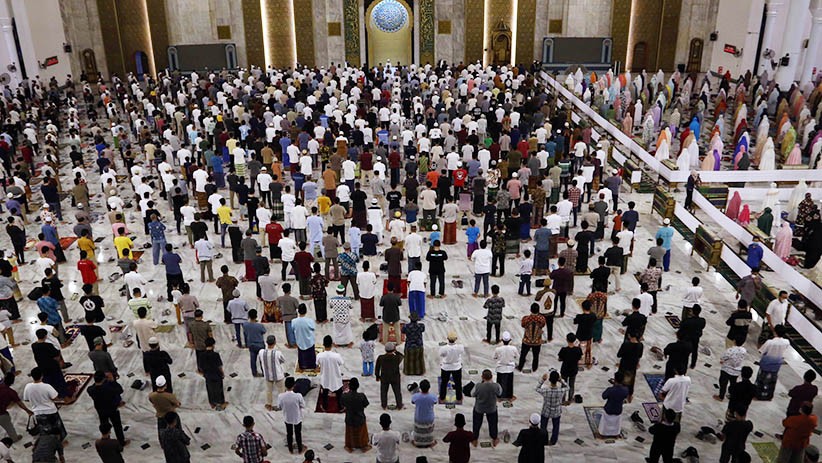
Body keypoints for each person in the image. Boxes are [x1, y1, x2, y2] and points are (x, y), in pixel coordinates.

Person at [86, 371, 127, 448]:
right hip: (112, 409)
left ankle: (105, 438)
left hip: (100, 410)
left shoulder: (90, 389)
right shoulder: (109, 388)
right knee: (117, 425)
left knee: (104, 425)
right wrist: (112, 380)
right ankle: (121, 442)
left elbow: (94, 386)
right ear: (103, 379)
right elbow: (120, 390)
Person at [471, 369, 502, 446]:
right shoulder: (496, 386)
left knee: (476, 424)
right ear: (491, 377)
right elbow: (500, 393)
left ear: (482, 377)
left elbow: (472, 394)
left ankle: (475, 439)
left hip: (479, 408)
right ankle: (494, 438)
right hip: (491, 408)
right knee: (493, 424)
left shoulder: (478, 386)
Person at [340, 377, 371, 452]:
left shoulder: (344, 396)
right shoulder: (361, 396)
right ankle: (363, 446)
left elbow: (342, 404)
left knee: (349, 433)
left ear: (349, 386)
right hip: (360, 417)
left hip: (349, 417)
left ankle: (349, 446)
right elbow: (366, 404)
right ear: (358, 386)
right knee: (362, 433)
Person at [536, 370, 567, 445]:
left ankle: (543, 440)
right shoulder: (561, 391)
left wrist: (542, 380)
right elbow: (568, 387)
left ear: (549, 380)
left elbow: (537, 388)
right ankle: (553, 441)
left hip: (546, 411)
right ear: (557, 380)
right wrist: (561, 380)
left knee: (543, 427)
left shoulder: (546, 391)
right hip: (556, 411)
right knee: (556, 427)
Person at [277, 376, 306, 454]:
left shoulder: (281, 396)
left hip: (287, 417)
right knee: (298, 433)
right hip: (297, 418)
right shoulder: (298, 396)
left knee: (289, 433)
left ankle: (290, 449)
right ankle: (300, 449)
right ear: (294, 386)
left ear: (285, 386)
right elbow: (303, 405)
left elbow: (279, 407)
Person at [714, 336, 747, 402]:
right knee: (733, 383)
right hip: (736, 370)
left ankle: (721, 396)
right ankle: (731, 395)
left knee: (723, 383)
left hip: (727, 369)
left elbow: (723, 357)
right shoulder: (744, 351)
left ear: (734, 341)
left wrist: (722, 361)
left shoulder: (730, 350)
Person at [316, 336, 344, 412]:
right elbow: (341, 363)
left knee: (325, 393)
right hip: (335, 377)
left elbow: (316, 365)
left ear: (323, 344)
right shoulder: (336, 355)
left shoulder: (319, 355)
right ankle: (341, 407)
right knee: (339, 393)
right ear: (332, 344)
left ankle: (325, 407)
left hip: (325, 377)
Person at [258, 335, 286, 410]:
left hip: (267, 375)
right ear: (275, 343)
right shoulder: (277, 353)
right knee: (281, 390)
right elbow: (283, 360)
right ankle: (281, 404)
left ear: (266, 343)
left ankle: (269, 404)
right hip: (278, 375)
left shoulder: (261, 352)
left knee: (268, 390)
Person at [599, 371, 629, 437]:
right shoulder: (626, 390)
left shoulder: (610, 390)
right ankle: (615, 433)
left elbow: (603, 396)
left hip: (608, 409)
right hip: (618, 410)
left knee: (605, 422)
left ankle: (603, 433)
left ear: (615, 379)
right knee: (616, 423)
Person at [375, 342, 404, 410]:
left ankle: (384, 405)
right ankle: (399, 405)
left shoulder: (381, 357)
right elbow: (402, 356)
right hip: (395, 377)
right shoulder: (397, 358)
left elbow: (377, 367)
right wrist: (395, 351)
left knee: (384, 392)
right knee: (397, 392)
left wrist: (377, 376)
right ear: (393, 349)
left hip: (384, 377)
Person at [439, 331, 465, 403]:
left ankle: (442, 398)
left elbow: (441, 354)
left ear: (447, 339)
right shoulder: (460, 347)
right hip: (456, 367)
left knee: (444, 383)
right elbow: (461, 352)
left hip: (446, 367)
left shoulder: (444, 348)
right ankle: (459, 398)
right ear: (456, 339)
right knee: (458, 383)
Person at [201, 337, 227, 410]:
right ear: (213, 345)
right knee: (218, 389)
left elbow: (201, 366)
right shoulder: (215, 354)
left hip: (207, 375)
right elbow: (219, 366)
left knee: (210, 389)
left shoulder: (202, 355)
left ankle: (212, 403)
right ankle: (220, 403)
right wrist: (222, 373)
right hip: (216, 374)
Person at [410, 379, 437, 448]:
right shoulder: (432, 397)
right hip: (429, 418)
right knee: (429, 431)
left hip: (419, 417)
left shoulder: (416, 396)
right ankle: (430, 442)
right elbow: (435, 402)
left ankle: (417, 442)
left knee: (418, 431)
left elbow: (413, 401)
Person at [494, 331, 518, 399]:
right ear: (510, 340)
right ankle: (509, 396)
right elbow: (517, 356)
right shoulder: (513, 348)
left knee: (499, 383)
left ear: (502, 340)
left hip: (500, 368)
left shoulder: (498, 349)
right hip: (510, 368)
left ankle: (499, 396)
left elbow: (494, 357)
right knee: (509, 383)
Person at [292, 305, 317, 370]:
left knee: (301, 354)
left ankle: (302, 365)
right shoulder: (309, 321)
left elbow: (292, 328)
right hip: (309, 340)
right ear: (306, 311)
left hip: (300, 340)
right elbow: (313, 328)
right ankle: (311, 365)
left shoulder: (294, 321)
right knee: (311, 354)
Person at [243, 309, 267, 376]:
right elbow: (264, 331)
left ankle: (254, 372)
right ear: (256, 316)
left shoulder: (245, 325)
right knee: (262, 359)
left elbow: (245, 333)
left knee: (253, 359)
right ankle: (264, 372)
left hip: (251, 344)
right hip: (260, 344)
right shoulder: (260, 326)